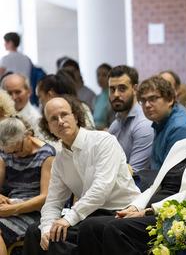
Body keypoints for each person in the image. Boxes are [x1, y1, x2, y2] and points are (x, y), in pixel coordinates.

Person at [77, 90, 186, 255]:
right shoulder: (181, 145)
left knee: (116, 229)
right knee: (89, 226)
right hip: (155, 212)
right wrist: (134, 207)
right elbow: (155, 186)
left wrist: (149, 211)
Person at [23, 95, 141, 255]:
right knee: (35, 232)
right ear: (48, 128)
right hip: (90, 214)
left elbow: (101, 190)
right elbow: (53, 202)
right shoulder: (59, 160)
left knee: (60, 237)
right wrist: (46, 229)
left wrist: (68, 219)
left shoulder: (103, 141)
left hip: (121, 211)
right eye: (53, 119)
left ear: (76, 116)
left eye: (64, 114)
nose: (60, 121)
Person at [0, 117, 55, 254]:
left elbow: (45, 198)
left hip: (34, 212)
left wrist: (12, 209)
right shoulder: (6, 153)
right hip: (10, 206)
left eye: (17, 150)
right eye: (10, 153)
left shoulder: (46, 155)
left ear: (28, 135)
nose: (15, 156)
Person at [136, 76, 186, 188]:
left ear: (170, 100)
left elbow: (174, 177)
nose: (147, 105)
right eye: (143, 101)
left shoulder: (179, 127)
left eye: (153, 99)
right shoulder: (160, 120)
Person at [107, 65, 154, 174]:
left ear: (135, 89)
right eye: (112, 89)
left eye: (122, 88)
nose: (116, 94)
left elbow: (134, 174)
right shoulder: (115, 124)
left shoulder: (144, 124)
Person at [93, 63, 113, 130]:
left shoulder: (113, 97)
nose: (100, 78)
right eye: (98, 75)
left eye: (104, 75)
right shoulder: (96, 98)